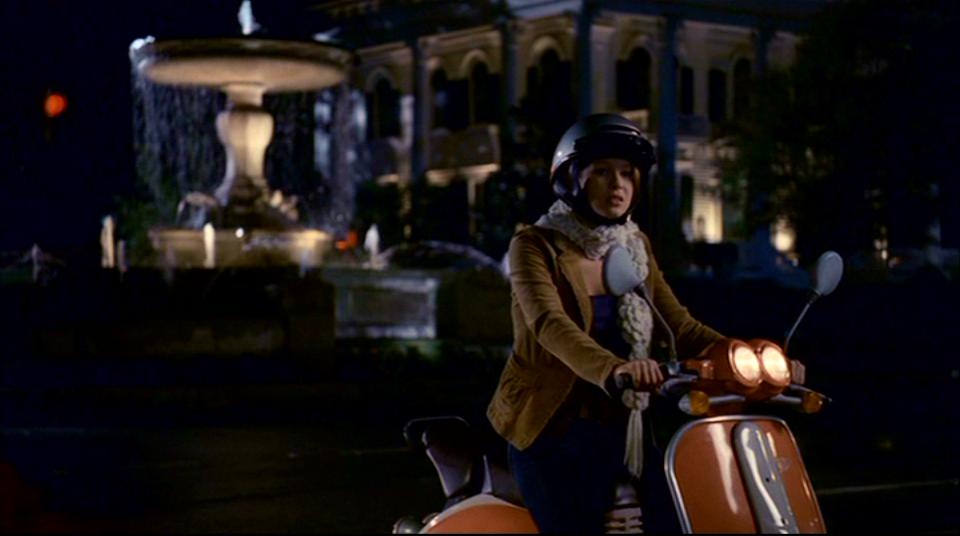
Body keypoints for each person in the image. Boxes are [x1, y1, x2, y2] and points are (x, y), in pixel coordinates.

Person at [486, 113, 726, 534]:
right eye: (601, 172)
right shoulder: (535, 245)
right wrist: (614, 368)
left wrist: (747, 355)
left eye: (627, 173)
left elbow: (677, 324)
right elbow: (549, 324)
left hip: (624, 424)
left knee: (674, 520)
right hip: (553, 424)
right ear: (571, 179)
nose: (618, 184)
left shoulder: (634, 245)